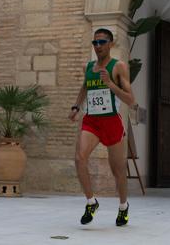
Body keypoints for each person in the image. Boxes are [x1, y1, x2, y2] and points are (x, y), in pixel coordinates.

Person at [69, 28, 135, 227]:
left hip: (111, 122)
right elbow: (85, 87)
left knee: (118, 171)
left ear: (110, 44)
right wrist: (76, 107)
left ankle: (123, 207)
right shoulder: (88, 67)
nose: (98, 46)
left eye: (102, 42)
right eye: (95, 43)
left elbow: (130, 99)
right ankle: (91, 202)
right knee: (79, 158)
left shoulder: (119, 67)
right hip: (92, 121)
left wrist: (110, 85)